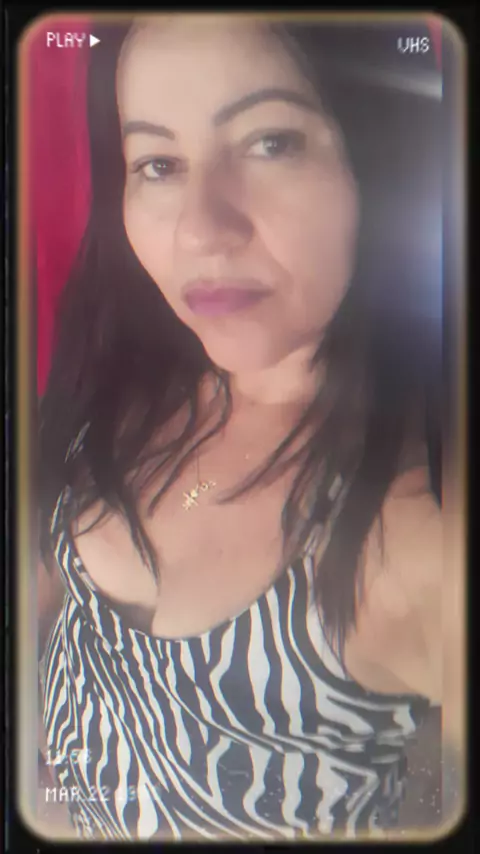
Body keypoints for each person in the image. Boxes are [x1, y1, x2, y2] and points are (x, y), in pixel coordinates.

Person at [37, 13, 455, 842]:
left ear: (383, 156)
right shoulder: (130, 366)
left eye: (272, 143)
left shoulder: (415, 530)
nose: (199, 229)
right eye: (158, 163)